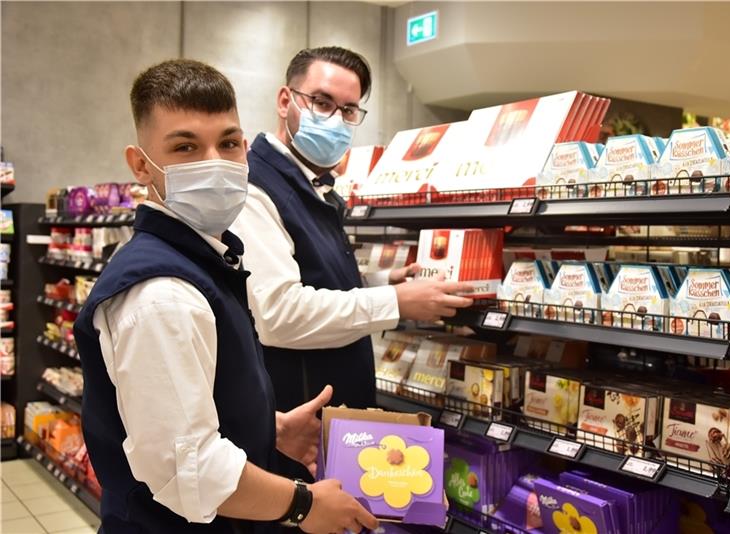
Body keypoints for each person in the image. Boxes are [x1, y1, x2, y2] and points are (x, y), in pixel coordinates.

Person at [73, 59, 378, 534]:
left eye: (229, 143)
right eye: (186, 146)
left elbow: (184, 411)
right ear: (140, 165)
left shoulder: (206, 258)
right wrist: (305, 505)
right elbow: (186, 472)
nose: (214, 162)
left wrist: (266, 428)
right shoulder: (161, 294)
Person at [230, 45, 473, 444]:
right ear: (284, 100)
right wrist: (395, 301)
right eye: (322, 102)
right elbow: (278, 314)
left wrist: (381, 280)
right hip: (298, 419)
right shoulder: (256, 189)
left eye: (347, 110)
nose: (335, 119)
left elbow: (311, 275)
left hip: (332, 414)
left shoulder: (310, 184)